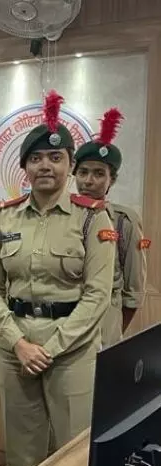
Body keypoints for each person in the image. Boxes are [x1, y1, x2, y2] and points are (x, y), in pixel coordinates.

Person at [0, 91, 116, 466]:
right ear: (24, 166)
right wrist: (18, 343)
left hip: (71, 349)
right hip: (15, 346)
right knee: (22, 453)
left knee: (75, 452)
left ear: (70, 166)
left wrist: (49, 348)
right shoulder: (6, 218)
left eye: (56, 158)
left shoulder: (92, 220)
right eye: (36, 158)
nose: (45, 166)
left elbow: (97, 296)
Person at [74, 108, 149, 346]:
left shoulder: (123, 221)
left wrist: (114, 330)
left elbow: (133, 289)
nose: (88, 180)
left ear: (111, 179)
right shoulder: (64, 215)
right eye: (83, 172)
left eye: (98, 174)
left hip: (104, 326)